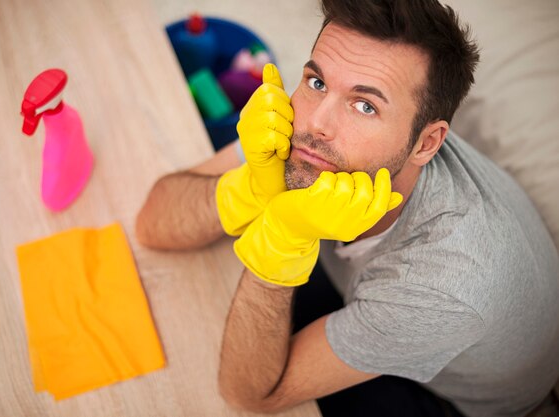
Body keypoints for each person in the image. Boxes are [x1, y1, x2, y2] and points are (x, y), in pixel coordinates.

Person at [136, 0, 559, 416]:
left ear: (426, 143)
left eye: (365, 105)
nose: (316, 122)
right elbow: (153, 224)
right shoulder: (320, 134)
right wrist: (254, 187)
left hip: (445, 394)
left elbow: (248, 394)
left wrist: (284, 241)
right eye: (317, 82)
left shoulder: (441, 286)